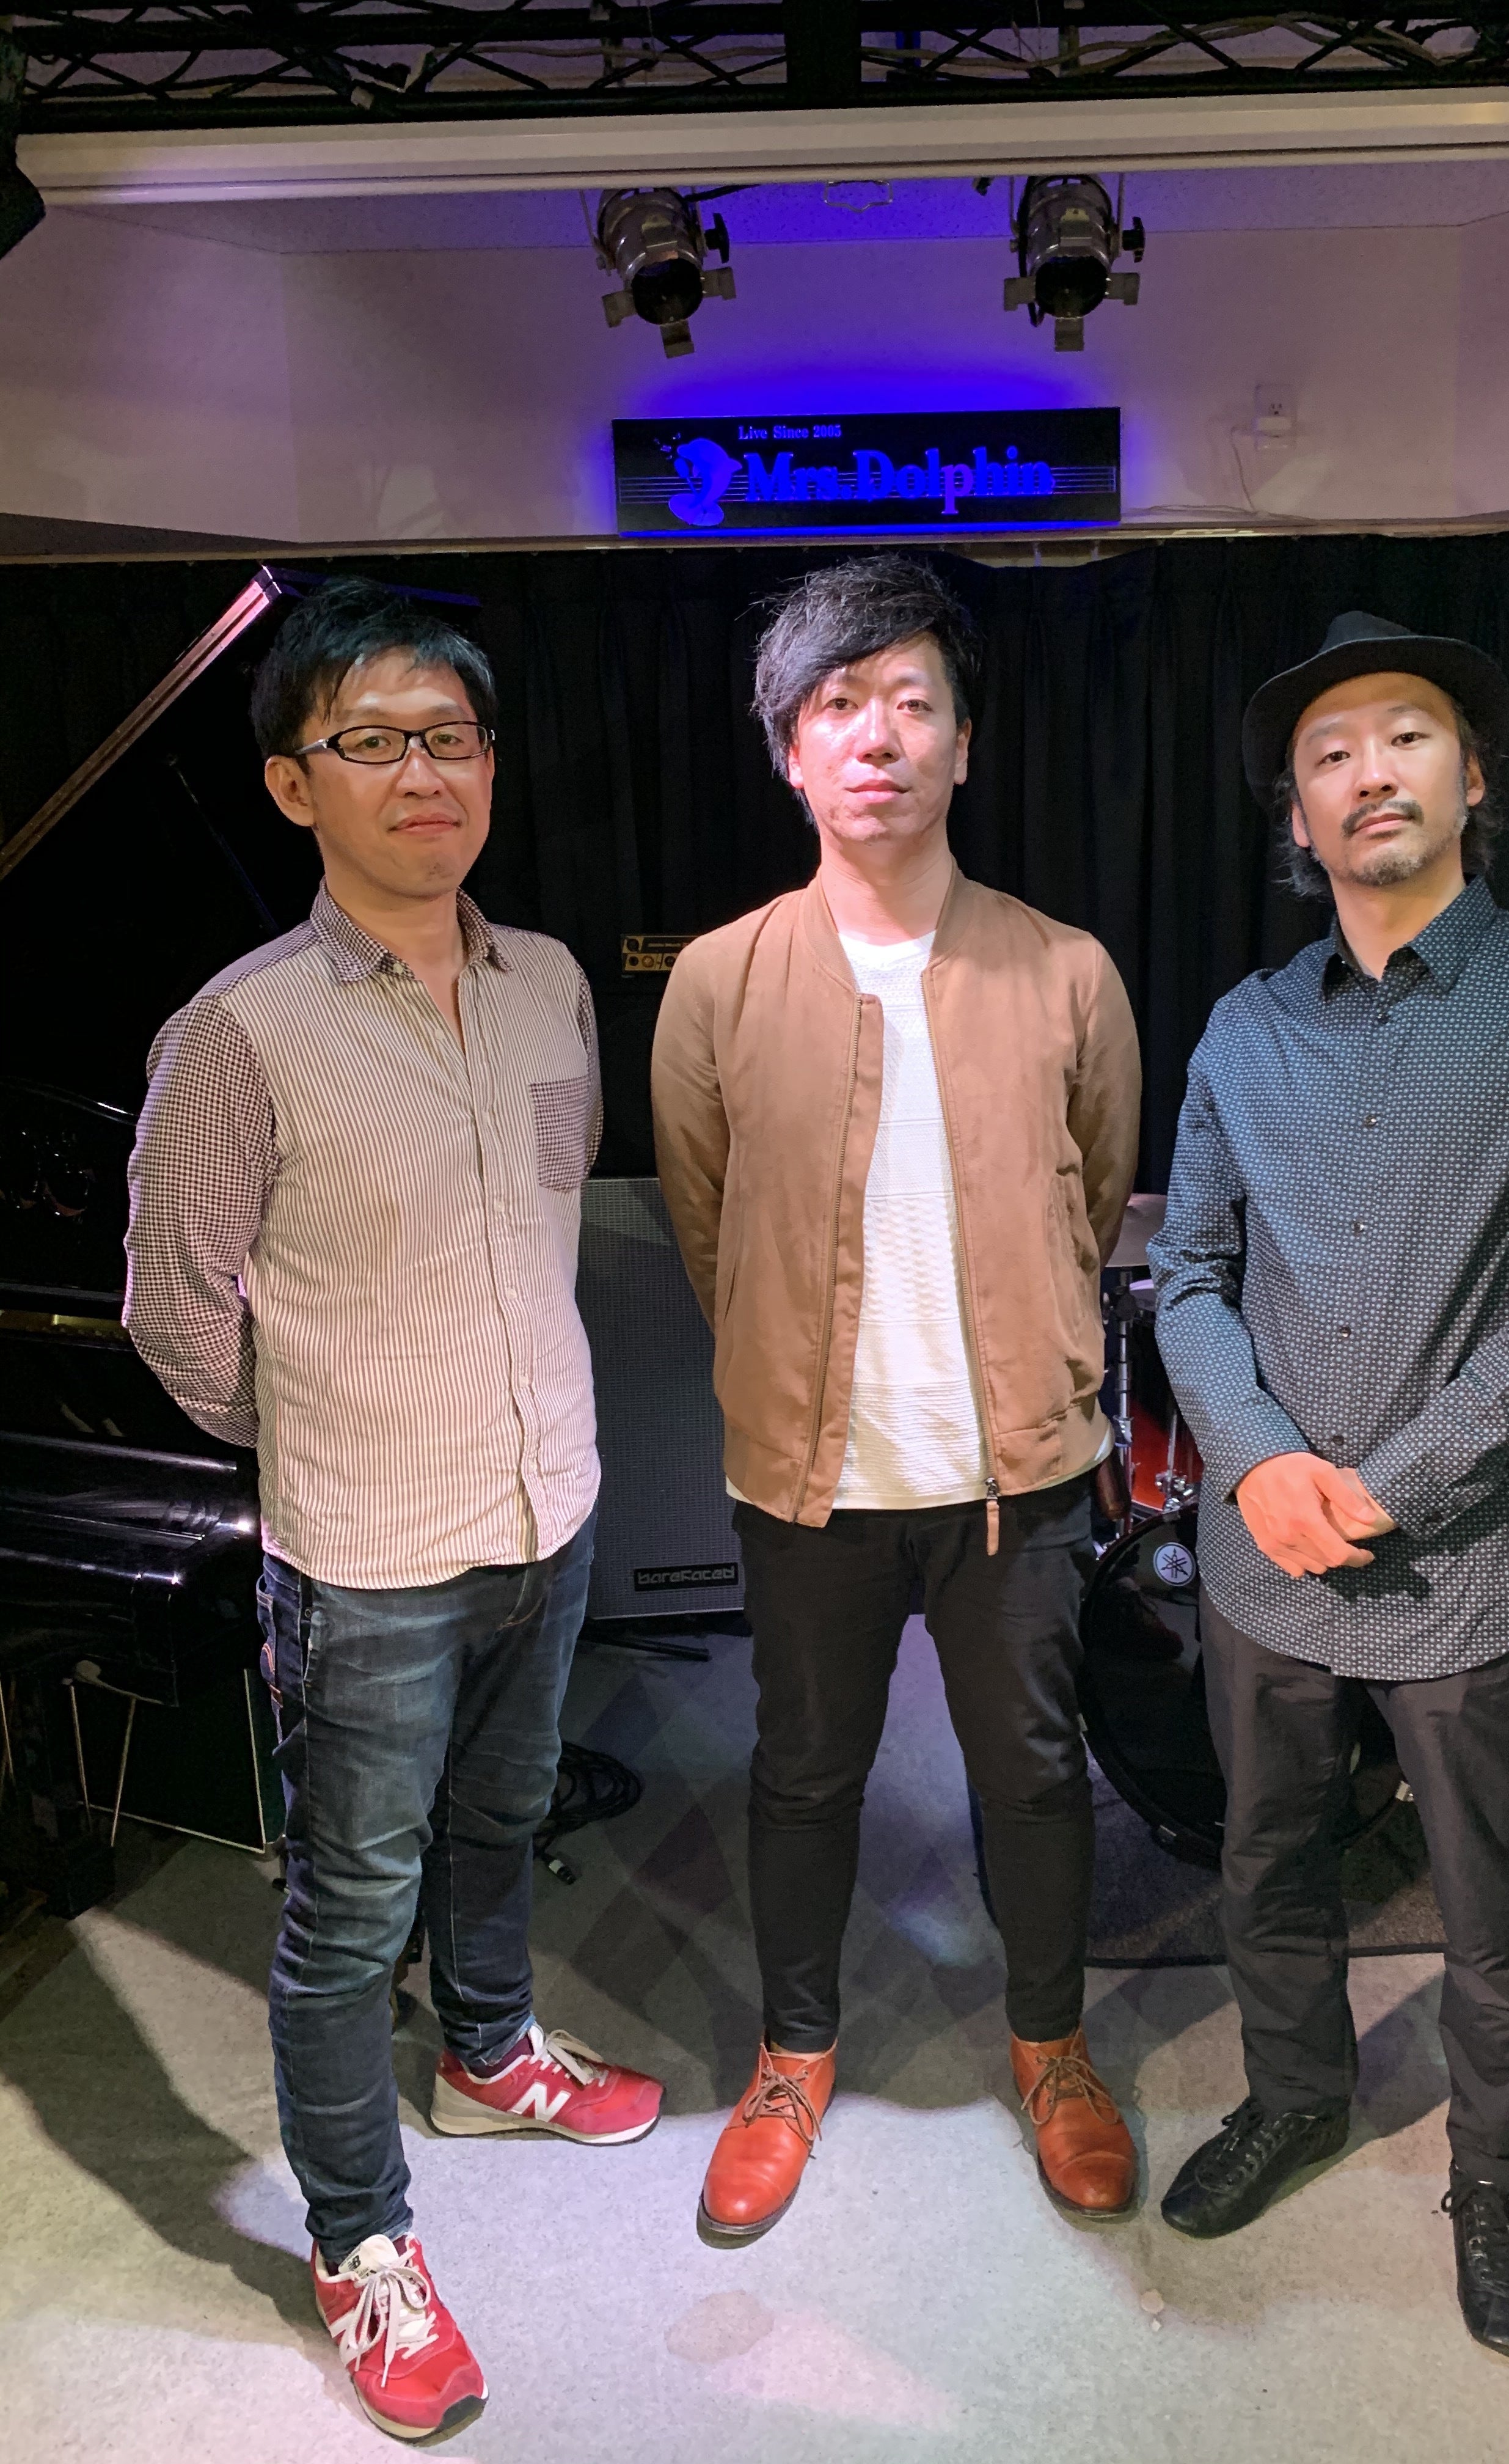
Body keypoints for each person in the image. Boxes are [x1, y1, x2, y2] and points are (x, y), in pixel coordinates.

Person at [124, 578, 662, 2444]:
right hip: (364, 1552)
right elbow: (174, 1310)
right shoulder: (239, 1030)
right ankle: (362, 2240)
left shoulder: (550, 984)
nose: (424, 773)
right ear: (297, 784)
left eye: (452, 737)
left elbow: (547, 1209)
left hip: (551, 1505)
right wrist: (318, 1434)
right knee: (350, 1913)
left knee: (506, 1816)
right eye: (374, 742)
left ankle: (489, 2052)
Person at [1150, 610, 1509, 2358]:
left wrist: (1387, 1487)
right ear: (1297, 815)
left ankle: (1499, 2172)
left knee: (1494, 1899)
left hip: (1471, 1558)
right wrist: (1259, 1463)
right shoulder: (1242, 1031)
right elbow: (1189, 1275)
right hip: (1268, 1557)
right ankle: (1295, 2095)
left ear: (1474, 776)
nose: (1367, 772)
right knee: (1266, 1861)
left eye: (1406, 736)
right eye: (1329, 753)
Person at [652, 556, 1143, 2242]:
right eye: (839, 705)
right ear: (789, 750)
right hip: (814, 1485)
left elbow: (1093, 1196)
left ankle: (1053, 2047)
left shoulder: (1065, 971)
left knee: (1035, 1776)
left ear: (963, 747)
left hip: (1017, 1477)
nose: (879, 737)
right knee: (803, 1775)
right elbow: (709, 1225)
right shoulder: (720, 980)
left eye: (914, 703)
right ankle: (793, 2058)